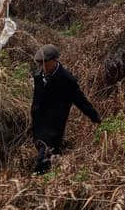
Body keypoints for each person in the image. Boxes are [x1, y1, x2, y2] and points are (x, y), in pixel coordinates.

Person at [32, 44, 101, 174]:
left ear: (54, 60)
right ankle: (52, 177)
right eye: (39, 63)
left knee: (44, 158)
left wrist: (95, 118)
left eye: (44, 63)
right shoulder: (38, 76)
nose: (42, 67)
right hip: (39, 124)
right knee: (48, 154)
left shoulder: (67, 80)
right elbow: (36, 99)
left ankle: (36, 182)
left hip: (54, 125)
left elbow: (81, 101)